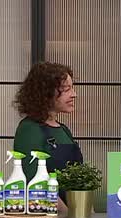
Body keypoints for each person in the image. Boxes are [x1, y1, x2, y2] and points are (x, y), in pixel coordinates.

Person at [12, 61, 84, 210]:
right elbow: (33, 180)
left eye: (72, 88)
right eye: (66, 89)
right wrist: (68, 214)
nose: (74, 94)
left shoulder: (63, 130)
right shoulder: (29, 129)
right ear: (45, 92)